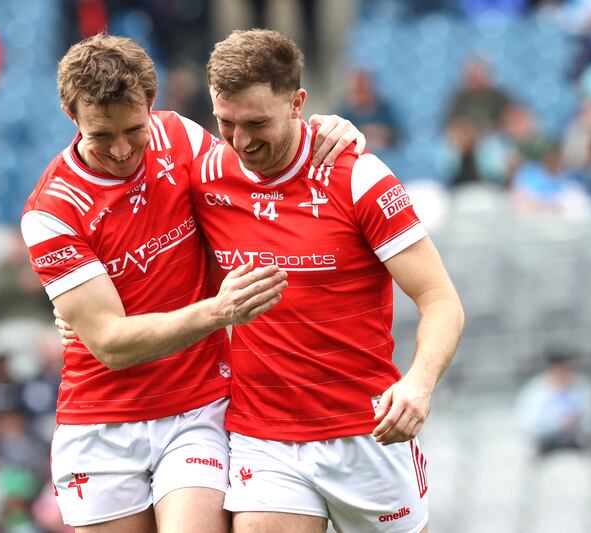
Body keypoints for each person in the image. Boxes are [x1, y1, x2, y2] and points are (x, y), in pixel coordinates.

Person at [22, 33, 365, 533]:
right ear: (70, 116)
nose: (121, 150)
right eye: (101, 135)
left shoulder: (179, 139)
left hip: (196, 407)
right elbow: (112, 345)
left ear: (151, 103)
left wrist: (322, 130)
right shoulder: (51, 212)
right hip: (99, 420)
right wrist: (218, 311)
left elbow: (262, 176)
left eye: (133, 130)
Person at [189, 29, 464, 533]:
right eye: (225, 123)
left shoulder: (360, 177)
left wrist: (419, 385)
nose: (241, 141)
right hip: (262, 435)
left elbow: (441, 299)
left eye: (257, 123)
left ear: (297, 103)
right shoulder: (203, 177)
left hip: (367, 432)